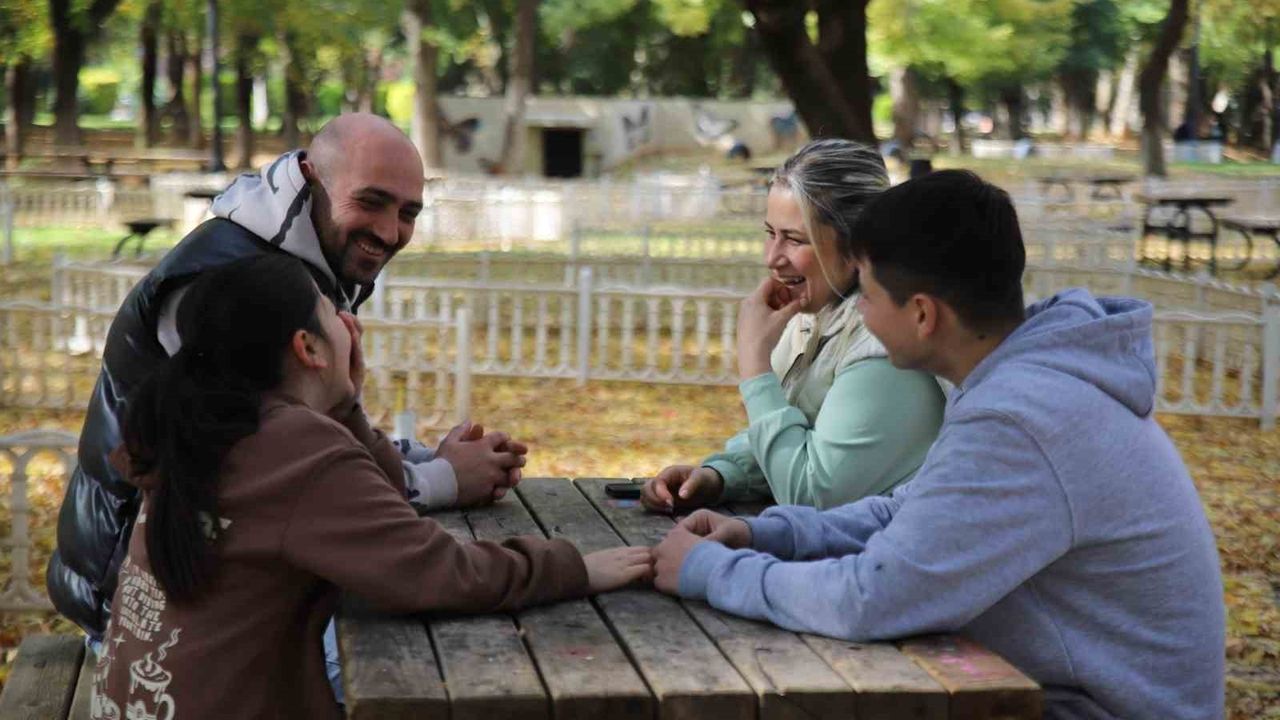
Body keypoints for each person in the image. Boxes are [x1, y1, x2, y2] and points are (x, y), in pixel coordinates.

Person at [651, 170, 1225, 719]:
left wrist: (711, 571)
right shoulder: (1021, 384)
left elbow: (875, 597)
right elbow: (913, 510)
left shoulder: (1020, 418)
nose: (860, 314)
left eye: (867, 296)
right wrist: (766, 533)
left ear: (923, 314)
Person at [88, 255, 652, 720]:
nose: (348, 321)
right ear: (308, 347)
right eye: (331, 311)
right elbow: (435, 573)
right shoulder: (294, 447)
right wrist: (573, 568)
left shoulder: (209, 426)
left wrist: (344, 406)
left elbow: (379, 509)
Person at [48, 113, 527, 644]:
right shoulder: (226, 282)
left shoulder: (295, 258)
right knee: (425, 653)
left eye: (408, 212)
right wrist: (443, 481)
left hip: (214, 583)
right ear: (311, 178)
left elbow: (311, 435)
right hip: (147, 611)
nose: (390, 232)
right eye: (370, 202)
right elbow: (277, 475)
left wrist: (428, 460)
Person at [641, 139, 945, 513]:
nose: (772, 258)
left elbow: (809, 494)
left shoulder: (885, 347)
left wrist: (754, 363)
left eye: (794, 239)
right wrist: (722, 475)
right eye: (770, 233)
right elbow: (796, 433)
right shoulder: (818, 314)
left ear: (858, 247)